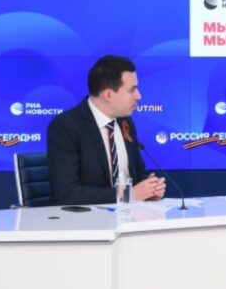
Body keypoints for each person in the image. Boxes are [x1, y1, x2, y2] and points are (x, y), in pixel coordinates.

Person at [47, 55, 166, 205]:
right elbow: (67, 193)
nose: (139, 96)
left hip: (128, 214)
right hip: (84, 217)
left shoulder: (125, 122)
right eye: (132, 90)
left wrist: (150, 188)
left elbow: (137, 173)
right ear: (108, 95)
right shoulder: (66, 126)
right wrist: (127, 194)